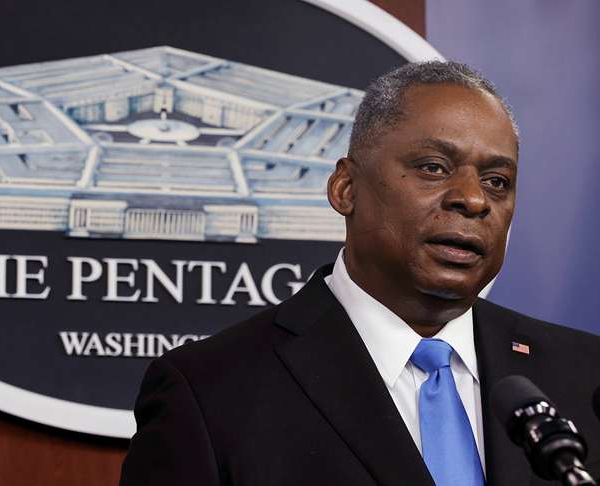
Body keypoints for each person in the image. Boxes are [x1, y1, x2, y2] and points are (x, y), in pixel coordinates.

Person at [119, 61, 600, 486]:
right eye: (434, 168)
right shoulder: (210, 392)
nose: (473, 199)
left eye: (497, 181)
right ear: (346, 188)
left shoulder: (586, 377)